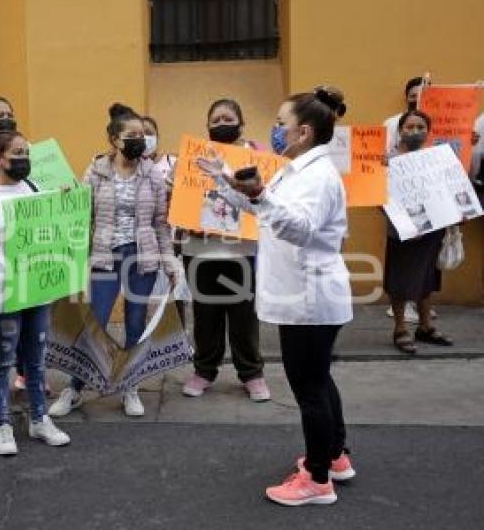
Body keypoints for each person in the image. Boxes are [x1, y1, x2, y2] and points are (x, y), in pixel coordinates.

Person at [198, 86, 355, 506]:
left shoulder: (318, 177)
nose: (277, 130)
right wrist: (225, 183)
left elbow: (298, 226)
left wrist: (259, 195)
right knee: (319, 381)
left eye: (282, 123)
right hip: (302, 295)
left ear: (303, 131)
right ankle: (336, 456)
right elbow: (263, 210)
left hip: (309, 298)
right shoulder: (296, 169)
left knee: (309, 390)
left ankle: (317, 480)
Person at [49, 103, 179, 418]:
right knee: (96, 322)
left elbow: (161, 223)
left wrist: (170, 262)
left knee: (136, 323)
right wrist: (67, 198)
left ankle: (128, 385)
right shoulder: (96, 171)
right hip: (104, 255)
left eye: (144, 135)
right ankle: (75, 388)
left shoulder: (153, 176)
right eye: (132, 135)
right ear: (114, 140)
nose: (141, 140)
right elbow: (81, 214)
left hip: (141, 255)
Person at [0, 129, 70, 455]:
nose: (24, 159)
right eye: (17, 153)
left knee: (36, 359)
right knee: (1, 360)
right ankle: (2, 424)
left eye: (27, 153)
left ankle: (39, 419)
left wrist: (66, 204)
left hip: (36, 290)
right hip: (2, 291)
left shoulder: (36, 188)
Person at [182, 98, 269, 402]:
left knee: (244, 316)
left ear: (241, 123)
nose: (221, 124)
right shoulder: (194, 157)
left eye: (227, 118)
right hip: (200, 249)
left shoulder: (256, 156)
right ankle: (204, 371)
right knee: (205, 316)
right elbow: (182, 199)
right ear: (207, 126)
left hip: (240, 251)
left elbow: (265, 197)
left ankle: (252, 374)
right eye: (215, 119)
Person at [383, 110, 453, 354]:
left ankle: (425, 326)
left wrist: (455, 213)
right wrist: (405, 224)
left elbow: (447, 191)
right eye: (410, 127)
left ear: (428, 131)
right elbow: (380, 199)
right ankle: (400, 329)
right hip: (402, 231)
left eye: (421, 127)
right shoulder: (387, 160)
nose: (415, 132)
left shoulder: (435, 159)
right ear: (400, 130)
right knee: (399, 279)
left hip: (432, 229)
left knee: (427, 279)